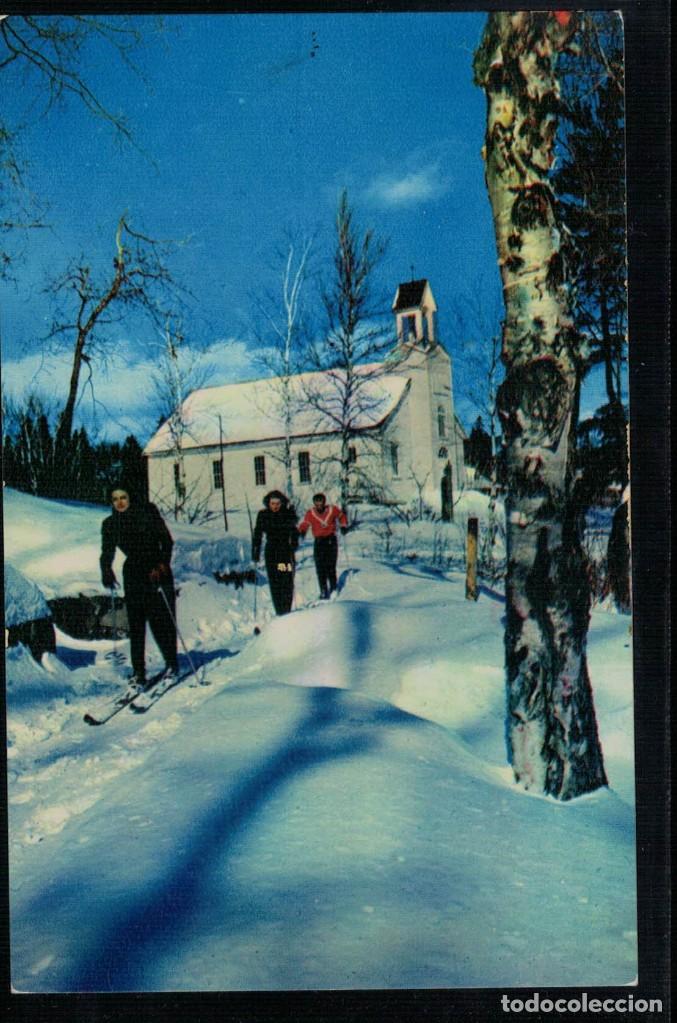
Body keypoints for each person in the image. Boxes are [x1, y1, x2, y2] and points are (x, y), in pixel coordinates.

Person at [100, 483, 178, 690]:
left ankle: (172, 664)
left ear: (130, 497)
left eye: (123, 497)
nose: (119, 502)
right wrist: (106, 570)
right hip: (134, 573)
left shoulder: (147, 512)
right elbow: (107, 551)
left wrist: (161, 565)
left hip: (156, 573)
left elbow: (167, 541)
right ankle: (139, 672)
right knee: (136, 625)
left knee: (161, 623)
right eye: (115, 499)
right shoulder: (110, 524)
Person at [251, 490, 298, 615]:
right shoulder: (263, 515)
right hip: (271, 551)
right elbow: (257, 534)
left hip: (285, 552)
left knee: (286, 580)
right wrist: (255, 551)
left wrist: (294, 543)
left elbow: (294, 531)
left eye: (278, 503)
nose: (275, 506)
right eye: (273, 503)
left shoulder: (287, 514)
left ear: (282, 503)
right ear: (268, 503)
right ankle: (280, 612)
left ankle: (287, 610)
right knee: (275, 581)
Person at [298, 492, 348, 600]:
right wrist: (302, 531)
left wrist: (343, 525)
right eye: (317, 503)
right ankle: (323, 591)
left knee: (330, 566)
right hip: (319, 542)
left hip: (330, 540)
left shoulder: (332, 509)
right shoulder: (310, 513)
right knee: (320, 568)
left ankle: (334, 589)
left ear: (324, 502)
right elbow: (305, 524)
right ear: (314, 503)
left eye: (321, 502)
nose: (319, 505)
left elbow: (341, 516)